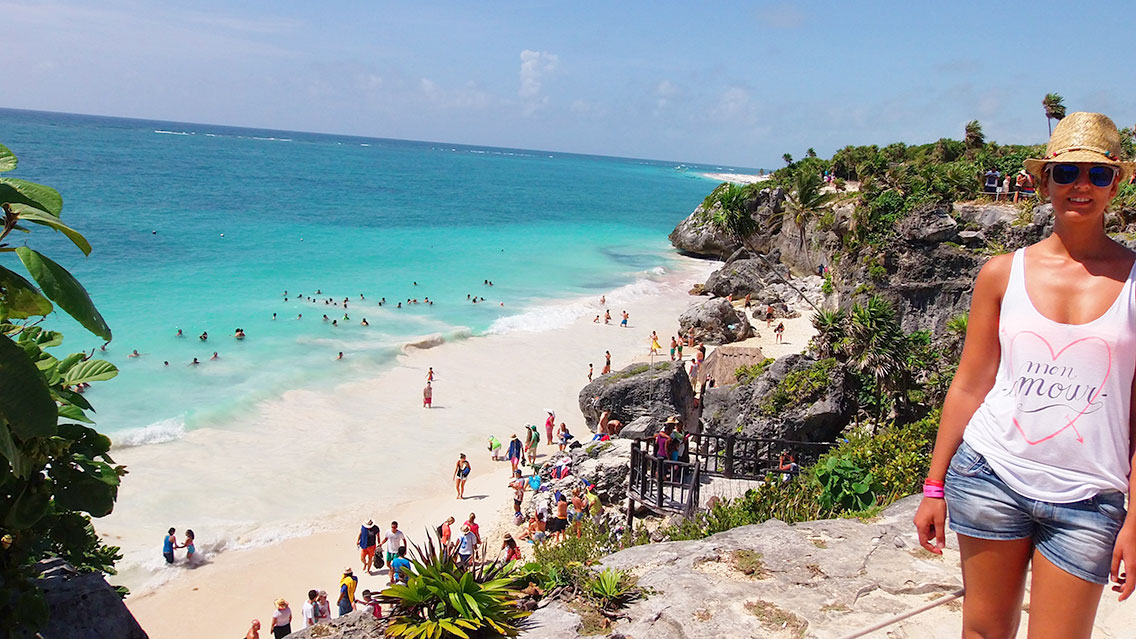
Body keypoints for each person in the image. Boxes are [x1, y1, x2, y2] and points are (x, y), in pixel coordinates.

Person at [913, 112, 1136, 639]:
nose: (1081, 186)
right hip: (991, 475)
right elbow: (970, 384)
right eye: (1066, 173)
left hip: (1090, 497)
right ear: (1044, 182)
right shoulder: (1000, 273)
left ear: (1116, 184)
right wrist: (935, 485)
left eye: (1097, 174)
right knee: (984, 633)